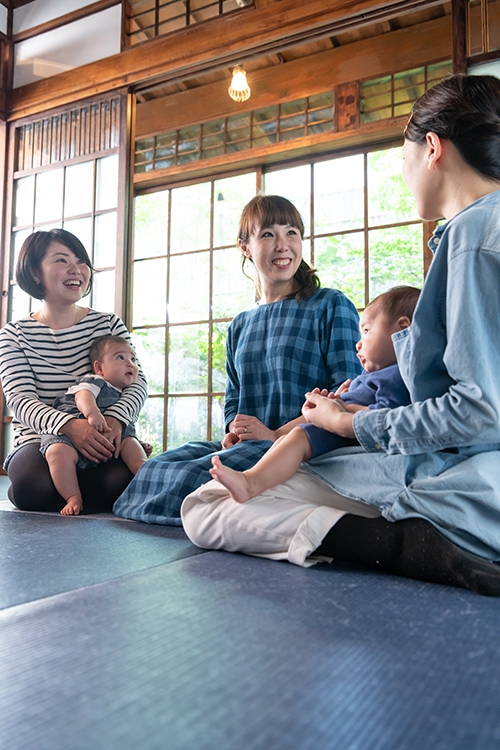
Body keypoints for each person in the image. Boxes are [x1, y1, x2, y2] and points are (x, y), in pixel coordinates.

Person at [181, 74, 500, 596]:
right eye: (267, 234)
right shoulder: (478, 232)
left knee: (205, 507)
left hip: (461, 474)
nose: (404, 173)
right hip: (454, 463)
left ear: (434, 149)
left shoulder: (468, 238)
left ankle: (402, 545)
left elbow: (479, 410)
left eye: (403, 158)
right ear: (246, 248)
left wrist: (349, 423)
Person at [113, 194, 362, 525]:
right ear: (245, 246)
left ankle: (217, 507)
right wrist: (234, 431)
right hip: (248, 445)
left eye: (292, 233)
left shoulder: (330, 304)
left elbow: (347, 392)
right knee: (157, 467)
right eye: (268, 234)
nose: (283, 245)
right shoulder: (240, 325)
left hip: (298, 446)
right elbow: (233, 403)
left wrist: (275, 434)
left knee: (191, 476)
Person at [209, 285, 419, 504]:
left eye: (367, 331)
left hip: (348, 439)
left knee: (299, 437)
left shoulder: (397, 376)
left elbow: (386, 418)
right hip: (331, 428)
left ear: (402, 328)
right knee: (293, 436)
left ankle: (250, 483)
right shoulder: (374, 376)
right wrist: (334, 401)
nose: (358, 343)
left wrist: (341, 410)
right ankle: (254, 472)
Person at [0, 229, 148, 513]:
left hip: (102, 433)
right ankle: (75, 489)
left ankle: (79, 491)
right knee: (33, 488)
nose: (76, 270)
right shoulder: (14, 334)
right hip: (39, 438)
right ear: (34, 273)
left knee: (121, 483)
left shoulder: (107, 324)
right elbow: (20, 400)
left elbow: (137, 381)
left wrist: (116, 420)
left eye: (81, 261)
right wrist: (69, 426)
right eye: (61, 260)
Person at [40, 335, 148, 515]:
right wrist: (92, 413)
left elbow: (126, 419)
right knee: (57, 452)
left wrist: (134, 440)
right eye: (121, 357)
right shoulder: (94, 381)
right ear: (99, 368)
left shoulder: (126, 391)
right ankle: (73, 496)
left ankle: (148, 477)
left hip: (109, 438)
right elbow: (82, 396)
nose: (130, 363)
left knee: (132, 447)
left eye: (133, 359)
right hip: (70, 433)